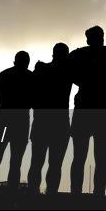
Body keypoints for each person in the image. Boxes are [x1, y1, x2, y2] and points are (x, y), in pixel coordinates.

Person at [68, 26, 106, 196]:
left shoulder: (80, 54)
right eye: (97, 36)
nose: (99, 39)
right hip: (96, 109)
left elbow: (70, 73)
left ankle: (89, 195)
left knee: (91, 158)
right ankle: (85, 195)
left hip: (92, 109)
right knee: (88, 158)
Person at [27, 43, 72, 195]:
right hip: (59, 124)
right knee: (54, 165)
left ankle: (34, 197)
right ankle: (49, 197)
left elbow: (31, 93)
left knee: (37, 163)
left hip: (42, 122)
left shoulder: (41, 69)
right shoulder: (68, 71)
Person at [0, 51, 33, 192]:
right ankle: (10, 201)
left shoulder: (2, 76)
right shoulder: (32, 78)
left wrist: (0, 111)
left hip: (3, 122)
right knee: (14, 163)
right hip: (20, 124)